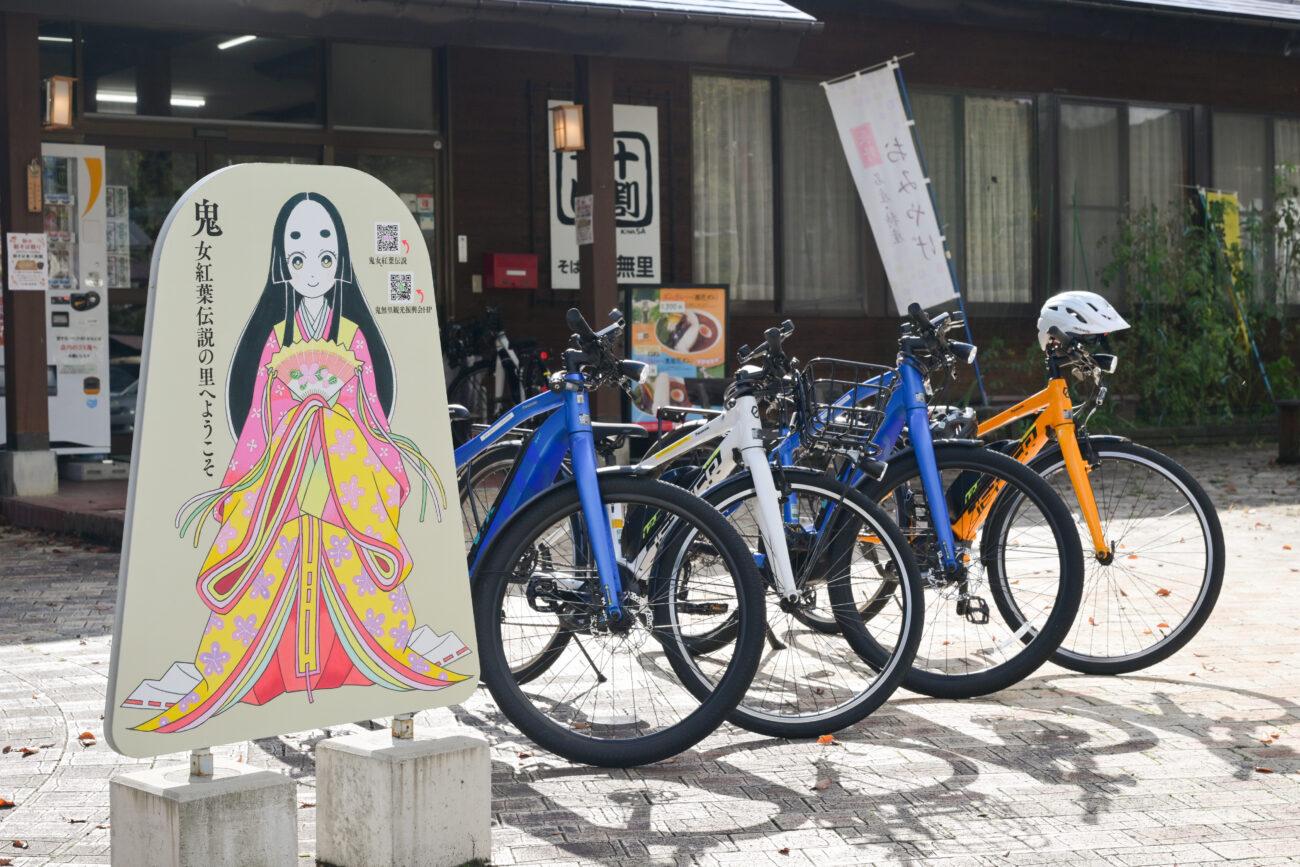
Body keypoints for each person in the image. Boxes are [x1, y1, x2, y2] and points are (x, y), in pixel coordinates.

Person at [123, 192, 468, 733]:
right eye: (299, 254)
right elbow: (260, 415)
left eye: (325, 254)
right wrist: (300, 418)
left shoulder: (351, 335)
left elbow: (371, 414)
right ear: (283, 262)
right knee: (269, 577)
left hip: (341, 482)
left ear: (342, 260)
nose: (312, 266)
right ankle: (272, 674)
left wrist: (333, 423)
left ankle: (346, 667)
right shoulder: (276, 338)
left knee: (350, 575)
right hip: (285, 478)